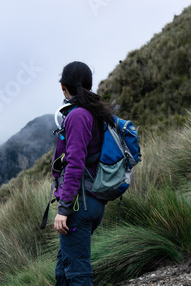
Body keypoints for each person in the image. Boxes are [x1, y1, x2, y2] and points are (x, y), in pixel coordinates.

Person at [52, 61, 115, 286]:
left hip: (80, 204)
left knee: (77, 273)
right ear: (89, 84)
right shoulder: (96, 113)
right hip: (93, 201)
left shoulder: (78, 116)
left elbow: (75, 165)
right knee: (64, 270)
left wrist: (64, 209)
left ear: (63, 87)